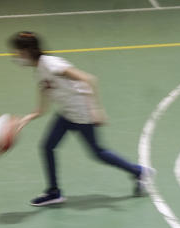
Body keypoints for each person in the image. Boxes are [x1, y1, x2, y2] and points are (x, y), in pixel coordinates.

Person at [9, 31, 154, 206]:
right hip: (66, 113)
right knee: (47, 147)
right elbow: (42, 109)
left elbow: (88, 79)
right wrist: (24, 120)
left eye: (18, 52)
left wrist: (96, 109)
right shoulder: (39, 72)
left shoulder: (51, 64)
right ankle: (54, 192)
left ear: (27, 51)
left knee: (98, 153)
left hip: (81, 113)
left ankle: (139, 172)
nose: (16, 57)